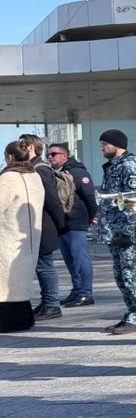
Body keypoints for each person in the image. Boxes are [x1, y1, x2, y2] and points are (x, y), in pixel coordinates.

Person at [93, 130, 136, 335]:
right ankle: (132, 313)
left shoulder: (129, 166)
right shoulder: (113, 167)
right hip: (115, 231)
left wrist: (129, 230)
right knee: (121, 276)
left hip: (128, 233)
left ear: (118, 145)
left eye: (105, 144)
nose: (101, 147)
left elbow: (135, 200)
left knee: (131, 275)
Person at [17, 135, 66, 321]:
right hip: (37, 223)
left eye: (22, 144)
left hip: (44, 223)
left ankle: (53, 304)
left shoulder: (41, 169)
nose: (19, 147)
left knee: (45, 265)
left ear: (30, 147)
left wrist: (60, 223)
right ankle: (47, 302)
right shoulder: (32, 167)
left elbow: (52, 200)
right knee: (40, 265)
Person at [47, 142, 99, 307]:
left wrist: (93, 216)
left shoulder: (77, 172)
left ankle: (86, 293)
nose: (50, 157)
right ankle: (77, 291)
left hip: (76, 222)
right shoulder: (56, 173)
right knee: (70, 260)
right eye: (48, 154)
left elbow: (90, 196)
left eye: (53, 154)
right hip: (62, 224)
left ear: (64, 156)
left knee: (80, 259)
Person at [1, 142, 46, 333]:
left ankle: (8, 321)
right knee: (22, 279)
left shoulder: (8, 178)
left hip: (7, 235)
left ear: (10, 157)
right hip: (29, 238)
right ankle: (25, 318)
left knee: (5, 281)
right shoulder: (34, 176)